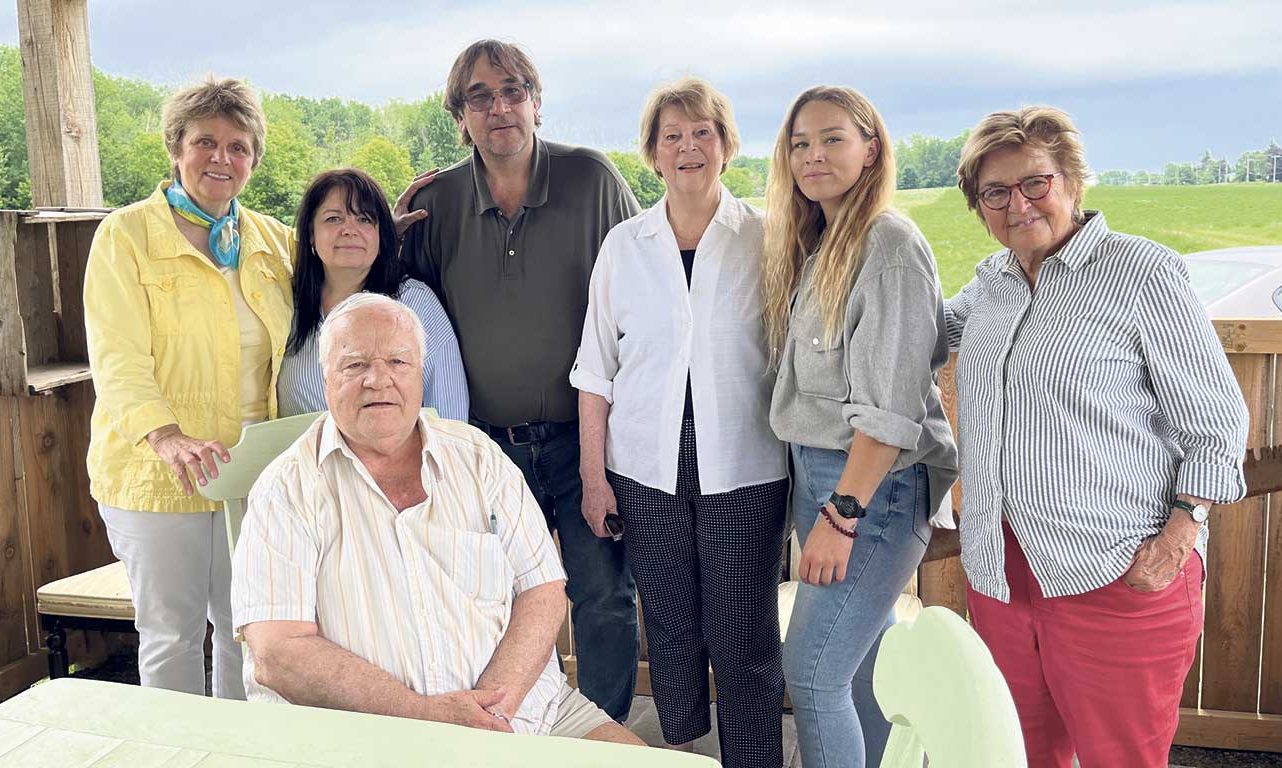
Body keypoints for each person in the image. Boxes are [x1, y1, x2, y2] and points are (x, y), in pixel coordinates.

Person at [947, 106, 1249, 768]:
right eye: (995, 192)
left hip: (1115, 576)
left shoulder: (1141, 271)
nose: (1017, 204)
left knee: (1123, 759)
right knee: (1019, 754)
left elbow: (1219, 424)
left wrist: (1177, 537)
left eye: (1035, 182)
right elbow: (922, 334)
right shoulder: (990, 285)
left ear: (1073, 181)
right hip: (1002, 575)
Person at [230, 293, 643, 745]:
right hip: (360, 735)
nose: (378, 380)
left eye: (397, 361)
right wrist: (427, 716)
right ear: (325, 378)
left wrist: (489, 711)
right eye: (354, 365)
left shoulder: (479, 457)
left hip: (525, 712)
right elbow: (278, 653)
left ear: (420, 374)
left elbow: (542, 589)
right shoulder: (287, 488)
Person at [399, 39, 641, 721]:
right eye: (479, 95)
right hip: (484, 449)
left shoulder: (592, 180)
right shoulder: (437, 202)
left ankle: (603, 735)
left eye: (512, 90)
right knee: (495, 604)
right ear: (459, 115)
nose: (499, 107)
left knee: (602, 599)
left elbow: (641, 299)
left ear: (537, 101)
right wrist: (382, 236)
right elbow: (396, 311)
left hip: (586, 443)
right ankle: (520, 730)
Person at [571, 78, 788, 767]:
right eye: (673, 136)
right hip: (642, 465)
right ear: (653, 155)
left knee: (741, 625)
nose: (689, 147)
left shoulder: (767, 238)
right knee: (665, 617)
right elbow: (595, 370)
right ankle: (684, 746)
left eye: (703, 133)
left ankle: (753, 756)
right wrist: (593, 479)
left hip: (747, 466)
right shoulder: (623, 246)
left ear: (726, 146)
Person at [761, 86, 958, 768]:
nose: (813, 155)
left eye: (832, 138)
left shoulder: (889, 246)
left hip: (869, 490)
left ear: (871, 149)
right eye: (800, 143)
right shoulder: (824, 242)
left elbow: (892, 411)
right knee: (857, 669)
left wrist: (841, 515)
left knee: (812, 675)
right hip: (823, 476)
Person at [83, 77, 294, 698]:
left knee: (246, 629)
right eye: (206, 142)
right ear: (176, 148)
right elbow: (117, 357)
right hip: (157, 473)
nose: (221, 159)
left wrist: (384, 228)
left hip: (251, 474)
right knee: (171, 634)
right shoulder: (125, 238)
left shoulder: (272, 242)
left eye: (238, 146)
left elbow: (341, 273)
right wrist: (167, 435)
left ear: (253, 159)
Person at [276, 168, 467, 420]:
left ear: (381, 234)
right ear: (311, 233)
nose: (349, 229)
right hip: (304, 458)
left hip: (401, 459)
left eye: (365, 219)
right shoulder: (285, 303)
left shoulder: (414, 303)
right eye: (334, 219)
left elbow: (449, 415)